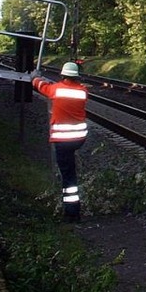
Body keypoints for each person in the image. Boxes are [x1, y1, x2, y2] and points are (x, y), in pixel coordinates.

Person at [32, 61, 88, 222]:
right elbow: (59, 90)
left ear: (63, 75)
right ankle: (71, 209)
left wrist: (34, 77)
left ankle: (72, 213)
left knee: (68, 177)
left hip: (63, 140)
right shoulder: (82, 92)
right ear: (76, 76)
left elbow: (41, 86)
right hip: (79, 138)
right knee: (69, 170)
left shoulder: (56, 89)